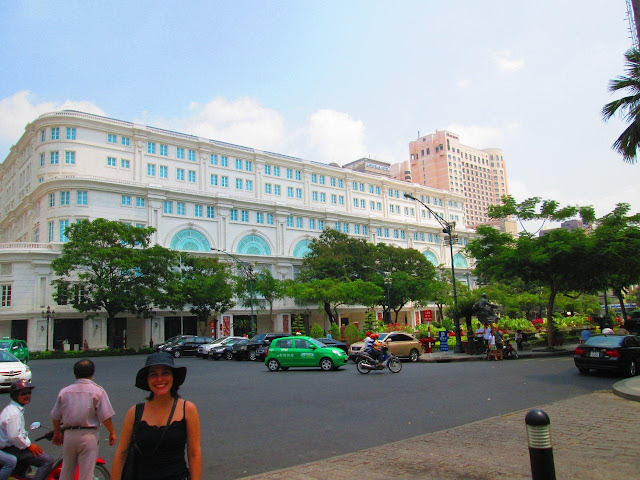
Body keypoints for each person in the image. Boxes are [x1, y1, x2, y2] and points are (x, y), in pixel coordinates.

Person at [111, 352, 201, 480]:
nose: (159, 379)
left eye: (165, 373)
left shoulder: (187, 409)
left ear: (173, 377)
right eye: (153, 374)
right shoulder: (135, 412)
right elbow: (121, 455)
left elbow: (194, 454)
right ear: (147, 380)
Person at [51, 359, 117, 480]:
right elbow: (105, 416)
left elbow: (55, 416)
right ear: (93, 373)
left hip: (69, 435)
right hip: (88, 435)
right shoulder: (98, 391)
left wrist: (57, 433)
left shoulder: (65, 392)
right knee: (86, 474)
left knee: (66, 472)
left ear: (75, 374)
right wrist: (112, 432)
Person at [0, 380, 53, 480]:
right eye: (23, 393)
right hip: (11, 449)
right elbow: (14, 436)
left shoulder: (13, 409)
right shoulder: (14, 413)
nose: (27, 396)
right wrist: (29, 445)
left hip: (13, 447)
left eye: (29, 393)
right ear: (15, 395)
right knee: (47, 461)